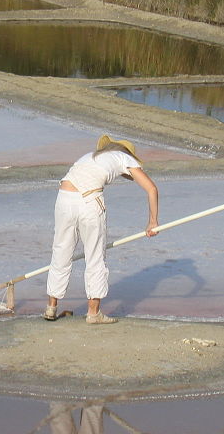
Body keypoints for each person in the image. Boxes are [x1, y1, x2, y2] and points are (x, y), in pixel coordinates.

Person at [44, 135, 159, 325]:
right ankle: (93, 313)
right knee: (95, 257)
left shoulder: (92, 156)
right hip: (89, 201)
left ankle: (51, 307)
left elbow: (124, 176)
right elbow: (151, 188)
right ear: (126, 152)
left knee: (61, 252)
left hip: (63, 198)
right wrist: (152, 222)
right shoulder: (125, 158)